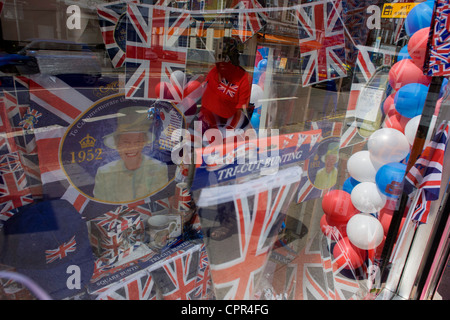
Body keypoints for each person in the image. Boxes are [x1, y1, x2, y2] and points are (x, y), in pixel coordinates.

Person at [93, 106, 168, 203]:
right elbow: (100, 207)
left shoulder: (159, 168)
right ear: (117, 145)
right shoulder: (104, 173)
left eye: (137, 142)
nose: (132, 147)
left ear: (143, 143)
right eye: (126, 142)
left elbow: (160, 203)